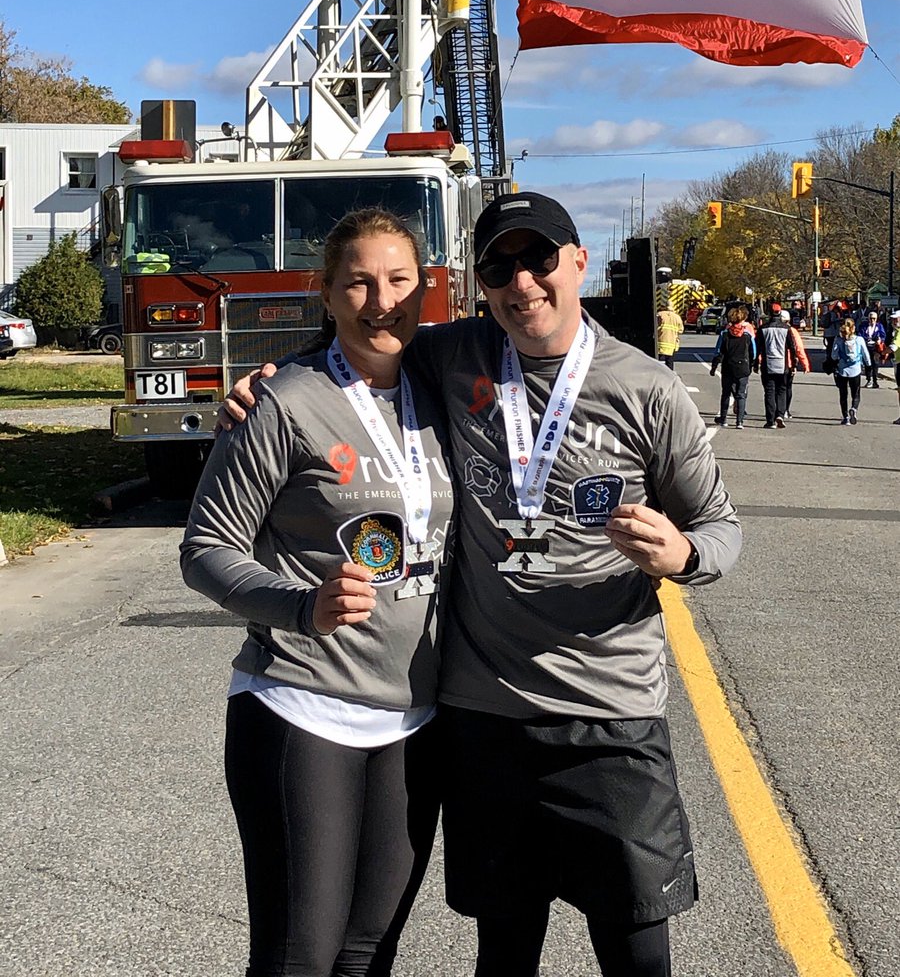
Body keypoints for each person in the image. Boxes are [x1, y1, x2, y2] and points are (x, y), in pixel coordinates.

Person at [219, 191, 743, 977]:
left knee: (636, 952)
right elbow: (361, 344)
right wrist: (268, 381)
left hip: (608, 714)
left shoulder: (648, 389)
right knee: (502, 949)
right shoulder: (454, 354)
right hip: (478, 718)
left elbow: (722, 530)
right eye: (499, 265)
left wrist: (683, 554)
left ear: (578, 263)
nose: (522, 282)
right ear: (479, 281)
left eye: (539, 259)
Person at [181, 208, 455, 977]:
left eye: (399, 279)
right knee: (299, 954)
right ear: (327, 294)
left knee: (370, 951)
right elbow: (205, 551)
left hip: (415, 717)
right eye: (358, 283)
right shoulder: (283, 402)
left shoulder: (441, 390)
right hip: (304, 706)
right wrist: (303, 605)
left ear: (426, 287)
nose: (381, 299)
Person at [710, 306, 755, 428]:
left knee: (725, 393)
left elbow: (718, 351)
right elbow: (753, 352)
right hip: (743, 367)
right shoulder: (747, 335)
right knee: (740, 394)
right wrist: (752, 365)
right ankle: (739, 421)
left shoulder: (724, 334)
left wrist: (714, 367)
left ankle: (723, 419)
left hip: (728, 366)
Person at [757, 302, 798, 428]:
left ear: (769, 313)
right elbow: (792, 347)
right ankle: (780, 414)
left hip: (767, 364)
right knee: (782, 390)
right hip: (783, 364)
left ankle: (770, 420)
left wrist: (754, 363)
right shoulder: (786, 329)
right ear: (780, 313)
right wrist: (794, 364)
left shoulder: (763, 329)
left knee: (769, 391)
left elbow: (758, 348)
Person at [831, 317, 870, 425]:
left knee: (843, 395)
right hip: (855, 369)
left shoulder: (838, 340)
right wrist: (868, 367)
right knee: (856, 393)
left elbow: (833, 356)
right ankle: (854, 409)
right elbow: (866, 355)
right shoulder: (859, 340)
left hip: (842, 370)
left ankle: (845, 417)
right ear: (853, 327)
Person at [780, 309, 810, 420]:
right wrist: (805, 363)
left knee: (775, 388)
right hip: (788, 363)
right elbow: (799, 348)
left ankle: (777, 410)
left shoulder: (771, 329)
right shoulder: (792, 331)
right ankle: (785, 410)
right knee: (787, 387)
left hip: (773, 362)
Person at [861, 310, 886, 388]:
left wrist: (880, 340)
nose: (872, 320)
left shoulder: (879, 326)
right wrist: (865, 339)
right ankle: (869, 380)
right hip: (866, 347)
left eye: (874, 318)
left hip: (875, 347)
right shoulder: (864, 325)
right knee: (867, 363)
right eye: (871, 318)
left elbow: (883, 335)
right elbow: (860, 334)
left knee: (875, 364)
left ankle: (875, 381)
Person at [656, 299, 683, 369]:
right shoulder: (677, 317)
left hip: (660, 343)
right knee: (669, 363)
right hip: (671, 344)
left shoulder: (659, 314)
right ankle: (669, 377)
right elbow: (680, 330)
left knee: (656, 362)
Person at [889, 309, 900, 425]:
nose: (894, 321)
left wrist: (882, 352)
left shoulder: (899, 332)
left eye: (896, 319)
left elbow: (893, 347)